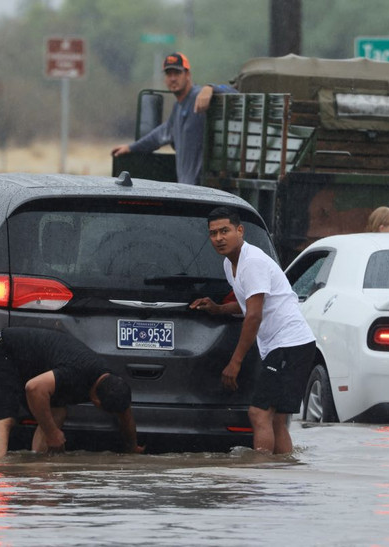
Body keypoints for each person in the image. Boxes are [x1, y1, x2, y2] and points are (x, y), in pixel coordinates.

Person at [189, 207, 316, 455]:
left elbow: (254, 314)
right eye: (213, 234)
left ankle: (260, 477)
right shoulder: (230, 263)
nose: (218, 238)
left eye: (224, 231)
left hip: (290, 345)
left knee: (258, 413)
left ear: (240, 230)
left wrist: (235, 362)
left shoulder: (252, 262)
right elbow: (249, 303)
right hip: (286, 347)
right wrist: (218, 309)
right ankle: (280, 482)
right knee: (276, 419)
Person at [0, 327, 142, 463]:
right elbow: (34, 388)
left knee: (57, 412)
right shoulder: (77, 372)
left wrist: (132, 447)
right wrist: (52, 434)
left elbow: (126, 417)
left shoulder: (114, 384)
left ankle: (38, 467)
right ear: (95, 400)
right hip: (2, 349)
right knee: (5, 419)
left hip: (33, 363)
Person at [111, 52, 236, 185]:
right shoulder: (178, 108)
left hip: (203, 190)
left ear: (187, 75)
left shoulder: (199, 97)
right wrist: (131, 148)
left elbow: (236, 94)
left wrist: (211, 88)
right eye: (169, 74)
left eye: (177, 73)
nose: (173, 78)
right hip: (186, 188)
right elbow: (158, 136)